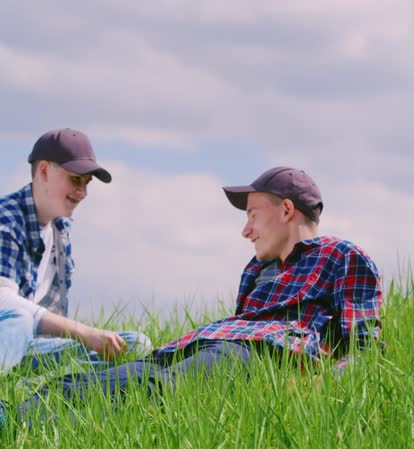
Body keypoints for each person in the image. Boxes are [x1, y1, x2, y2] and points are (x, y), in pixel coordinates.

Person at [3, 166, 382, 425]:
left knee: (152, 393)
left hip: (259, 356)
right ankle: (11, 419)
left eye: (252, 215)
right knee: (77, 384)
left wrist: (319, 385)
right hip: (197, 349)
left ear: (286, 210)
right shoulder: (255, 270)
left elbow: (364, 349)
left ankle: (38, 432)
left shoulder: (342, 257)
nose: (245, 230)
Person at [0, 128, 152, 375]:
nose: (82, 193)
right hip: (9, 335)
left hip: (32, 348)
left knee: (134, 344)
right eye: (75, 180)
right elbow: (2, 300)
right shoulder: (6, 220)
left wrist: (89, 340)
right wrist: (84, 332)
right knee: (20, 320)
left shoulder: (60, 228)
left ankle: (35, 392)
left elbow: (55, 315)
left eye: (86, 183)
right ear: (44, 171)